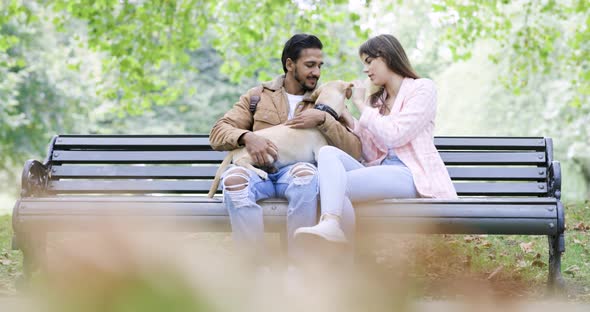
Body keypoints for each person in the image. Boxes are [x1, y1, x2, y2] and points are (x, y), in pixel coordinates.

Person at [209, 34, 362, 265]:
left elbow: (354, 152)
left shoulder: (327, 101)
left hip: (296, 175)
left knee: (307, 176)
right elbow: (218, 132)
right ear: (290, 64)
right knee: (233, 181)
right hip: (256, 173)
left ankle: (298, 268)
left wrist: (324, 119)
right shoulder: (257, 96)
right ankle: (254, 269)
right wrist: (247, 137)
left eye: (320, 66)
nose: (317, 72)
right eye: (310, 65)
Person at [294, 34, 458, 243]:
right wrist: (346, 114)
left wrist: (361, 106)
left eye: (369, 61)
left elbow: (396, 134)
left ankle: (340, 254)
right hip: (381, 170)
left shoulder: (422, 88)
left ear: (386, 57)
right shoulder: (378, 101)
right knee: (327, 155)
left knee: (334, 187)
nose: (365, 69)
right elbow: (370, 151)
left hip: (410, 173)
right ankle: (331, 227)